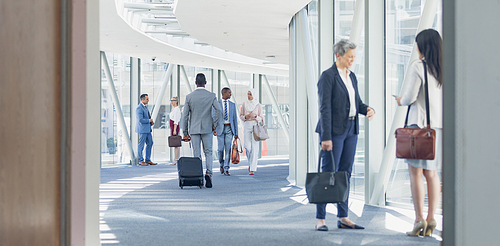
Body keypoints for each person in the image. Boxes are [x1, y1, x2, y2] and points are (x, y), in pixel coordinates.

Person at [315, 39, 375, 231]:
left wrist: (367, 110)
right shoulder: (328, 76)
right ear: (338, 55)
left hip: (351, 130)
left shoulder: (352, 77)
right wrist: (326, 137)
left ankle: (343, 217)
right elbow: (324, 109)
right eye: (349, 57)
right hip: (333, 132)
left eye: (354, 57)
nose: (352, 60)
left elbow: (356, 102)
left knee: (345, 175)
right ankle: (321, 220)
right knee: (327, 174)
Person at [395, 29, 443, 237]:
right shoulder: (444, 68)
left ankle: (418, 219)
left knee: (415, 173)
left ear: (421, 46)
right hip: (437, 128)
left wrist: (400, 100)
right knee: (432, 174)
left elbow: (410, 97)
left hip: (419, 127)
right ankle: (432, 218)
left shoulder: (418, 66)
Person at [182, 73, 221, 188]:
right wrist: (214, 124)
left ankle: (198, 176)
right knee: (208, 152)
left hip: (194, 128)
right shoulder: (211, 95)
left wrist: (185, 132)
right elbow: (218, 110)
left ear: (195, 83)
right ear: (206, 83)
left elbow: (185, 116)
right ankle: (208, 174)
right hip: (207, 128)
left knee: (196, 154)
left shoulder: (189, 97)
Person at [239, 88, 263, 175]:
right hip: (247, 125)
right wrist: (246, 116)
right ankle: (250, 163)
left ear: (254, 95)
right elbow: (241, 116)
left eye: (250, 94)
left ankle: (252, 168)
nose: (248, 96)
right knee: (247, 147)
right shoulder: (245, 104)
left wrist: (256, 117)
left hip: (255, 126)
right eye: (248, 94)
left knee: (254, 148)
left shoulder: (258, 105)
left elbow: (261, 117)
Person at [215, 87, 238, 176]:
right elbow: (214, 116)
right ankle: (221, 164)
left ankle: (226, 168)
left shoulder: (232, 105)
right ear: (224, 93)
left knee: (228, 149)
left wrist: (236, 133)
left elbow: (235, 119)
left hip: (229, 129)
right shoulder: (217, 104)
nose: (230, 94)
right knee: (220, 149)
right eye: (229, 93)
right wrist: (214, 128)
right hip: (220, 129)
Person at [135, 94, 157, 166]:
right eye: (147, 99)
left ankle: (147, 160)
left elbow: (147, 117)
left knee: (150, 143)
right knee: (141, 145)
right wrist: (148, 120)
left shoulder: (145, 107)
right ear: (142, 100)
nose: (148, 100)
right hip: (142, 130)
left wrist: (151, 121)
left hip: (148, 129)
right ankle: (141, 160)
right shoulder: (139, 108)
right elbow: (140, 120)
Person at [169, 96, 181, 165]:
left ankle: (176, 159)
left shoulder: (177, 109)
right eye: (171, 100)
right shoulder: (173, 109)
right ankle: (175, 158)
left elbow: (176, 120)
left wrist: (174, 130)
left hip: (174, 126)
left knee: (175, 143)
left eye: (173, 100)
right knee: (174, 144)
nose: (171, 102)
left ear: (176, 101)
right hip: (172, 126)